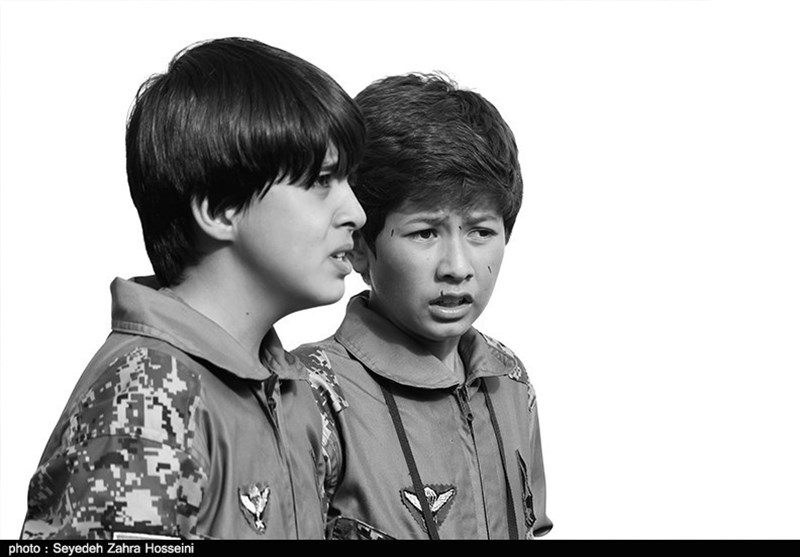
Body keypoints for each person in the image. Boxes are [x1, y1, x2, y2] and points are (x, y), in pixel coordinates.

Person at [21, 37, 366, 540]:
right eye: (321, 181)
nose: (355, 212)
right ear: (220, 209)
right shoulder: (148, 398)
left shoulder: (293, 393)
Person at [293, 73, 553, 540]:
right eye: (425, 233)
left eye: (481, 231)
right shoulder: (310, 393)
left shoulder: (509, 379)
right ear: (358, 247)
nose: (457, 267)